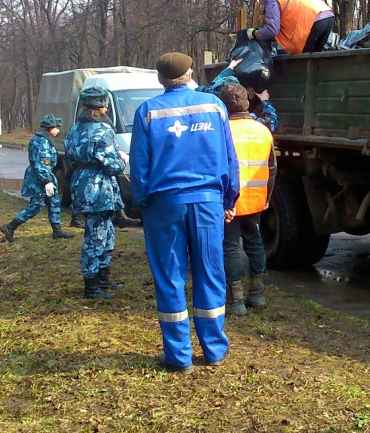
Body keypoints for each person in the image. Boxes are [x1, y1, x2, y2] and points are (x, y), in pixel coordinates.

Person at [129, 51, 240, 373]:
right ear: (190, 74)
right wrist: (229, 200)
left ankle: (178, 357)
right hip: (207, 202)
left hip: (165, 204)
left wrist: (144, 203)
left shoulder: (147, 111)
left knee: (170, 277)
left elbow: (139, 166)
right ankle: (215, 349)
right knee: (210, 273)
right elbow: (229, 158)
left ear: (161, 80)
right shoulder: (214, 106)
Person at [217, 83, 276, 316]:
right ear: (247, 103)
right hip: (257, 200)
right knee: (255, 243)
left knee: (230, 247)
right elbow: (272, 168)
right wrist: (267, 199)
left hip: (231, 202)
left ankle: (236, 301)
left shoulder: (222, 131)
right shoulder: (263, 130)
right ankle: (258, 295)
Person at [64, 86, 127, 300]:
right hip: (99, 187)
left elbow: (70, 157)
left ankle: (102, 279)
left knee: (105, 232)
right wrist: (123, 159)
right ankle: (92, 286)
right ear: (103, 107)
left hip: (81, 184)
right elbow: (113, 166)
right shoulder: (103, 130)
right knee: (97, 236)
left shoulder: (74, 129)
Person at [0, 114, 74, 243]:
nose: (58, 130)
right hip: (39, 179)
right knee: (35, 207)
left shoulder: (44, 139)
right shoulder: (42, 142)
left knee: (54, 203)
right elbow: (41, 165)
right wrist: (46, 181)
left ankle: (57, 231)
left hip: (46, 176)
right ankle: (10, 227)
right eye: (56, 128)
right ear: (49, 128)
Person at [247, 0, 335, 54]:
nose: (261, 2)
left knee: (303, 60)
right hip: (328, 16)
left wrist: (255, 33)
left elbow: (272, 30)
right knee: (316, 58)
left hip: (313, 22)